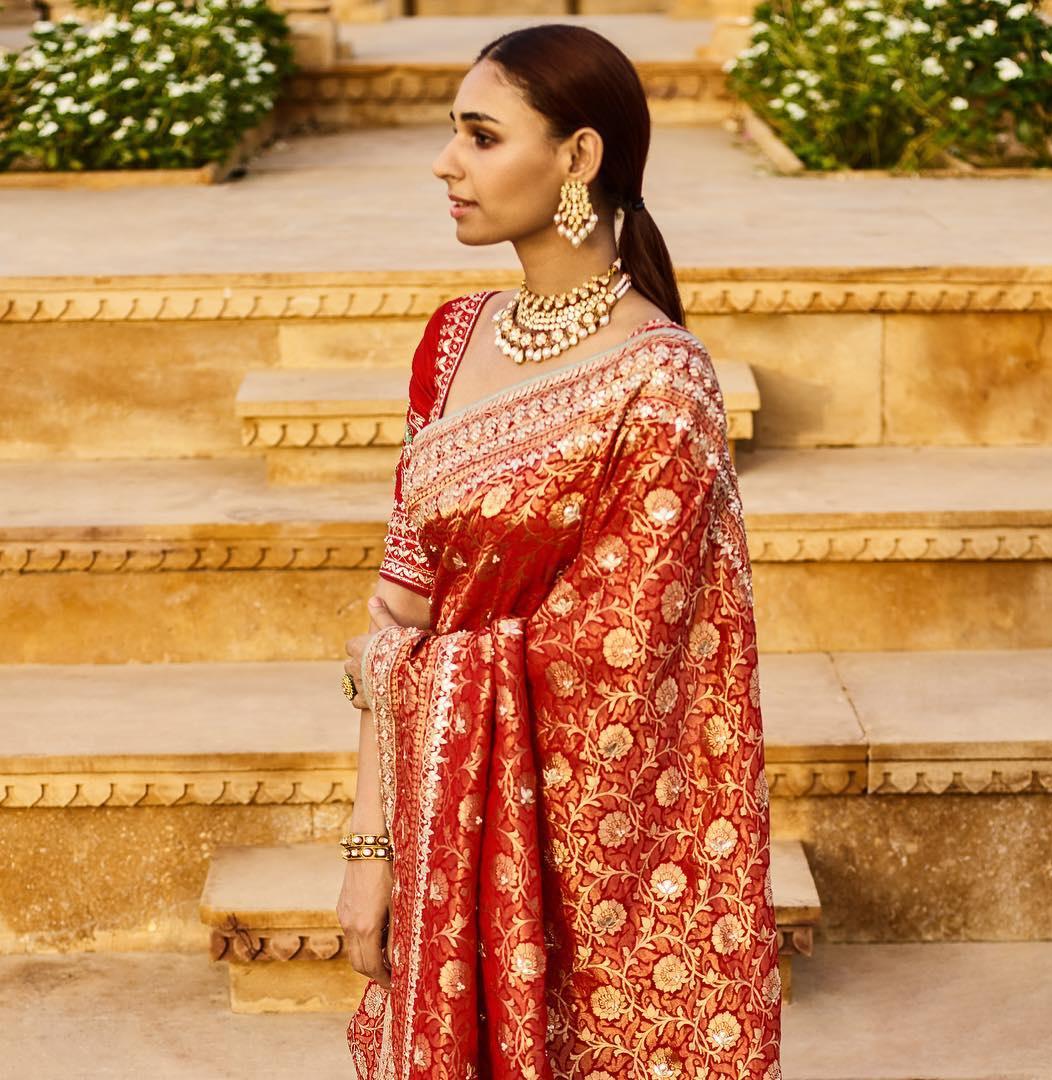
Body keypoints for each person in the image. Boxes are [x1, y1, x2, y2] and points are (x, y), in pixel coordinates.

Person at [337, 23, 782, 1079]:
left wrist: (432, 673)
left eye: (481, 136)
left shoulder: (662, 386)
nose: (447, 163)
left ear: (578, 158)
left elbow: (619, 660)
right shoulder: (451, 342)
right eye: (455, 133)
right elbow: (395, 626)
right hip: (443, 830)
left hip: (595, 873)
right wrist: (371, 844)